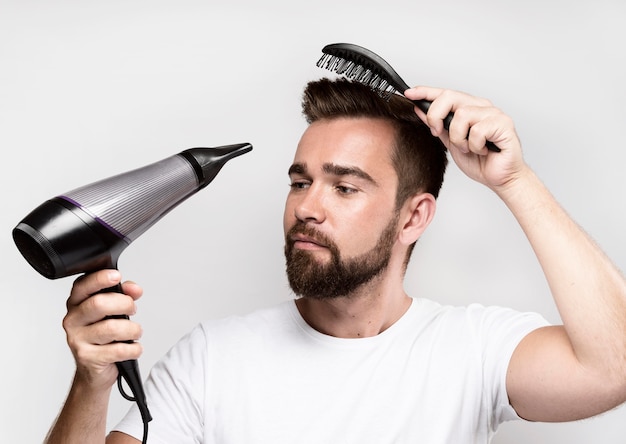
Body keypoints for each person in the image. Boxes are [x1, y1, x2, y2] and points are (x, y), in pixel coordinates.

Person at [45, 78, 626, 443]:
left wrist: (515, 181)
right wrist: (92, 384)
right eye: (300, 183)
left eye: (345, 188)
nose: (308, 208)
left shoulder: (470, 350)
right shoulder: (211, 360)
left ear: (413, 218)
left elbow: (613, 369)